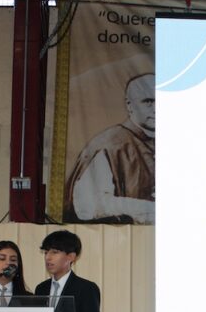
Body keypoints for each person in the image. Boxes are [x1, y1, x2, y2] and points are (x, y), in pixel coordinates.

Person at [64, 73, 156, 224]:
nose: (156, 108)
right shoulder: (108, 145)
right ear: (130, 105)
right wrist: (152, 208)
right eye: (148, 101)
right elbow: (89, 206)